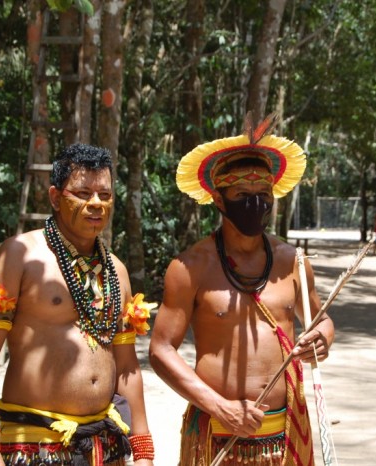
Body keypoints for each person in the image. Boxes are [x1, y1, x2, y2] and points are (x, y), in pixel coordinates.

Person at [149, 114, 335, 465]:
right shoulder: (190, 267)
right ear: (219, 200)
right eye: (242, 194)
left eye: (264, 194)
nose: (256, 203)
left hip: (284, 436)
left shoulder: (292, 262)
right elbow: (160, 351)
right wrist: (220, 406)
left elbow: (320, 318)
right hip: (217, 434)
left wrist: (323, 337)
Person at [0, 143, 155, 466]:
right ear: (55, 197)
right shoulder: (17, 256)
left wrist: (143, 451)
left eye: (105, 195)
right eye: (82, 193)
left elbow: (127, 368)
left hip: (104, 443)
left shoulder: (116, 271)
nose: (96, 204)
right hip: (34, 442)